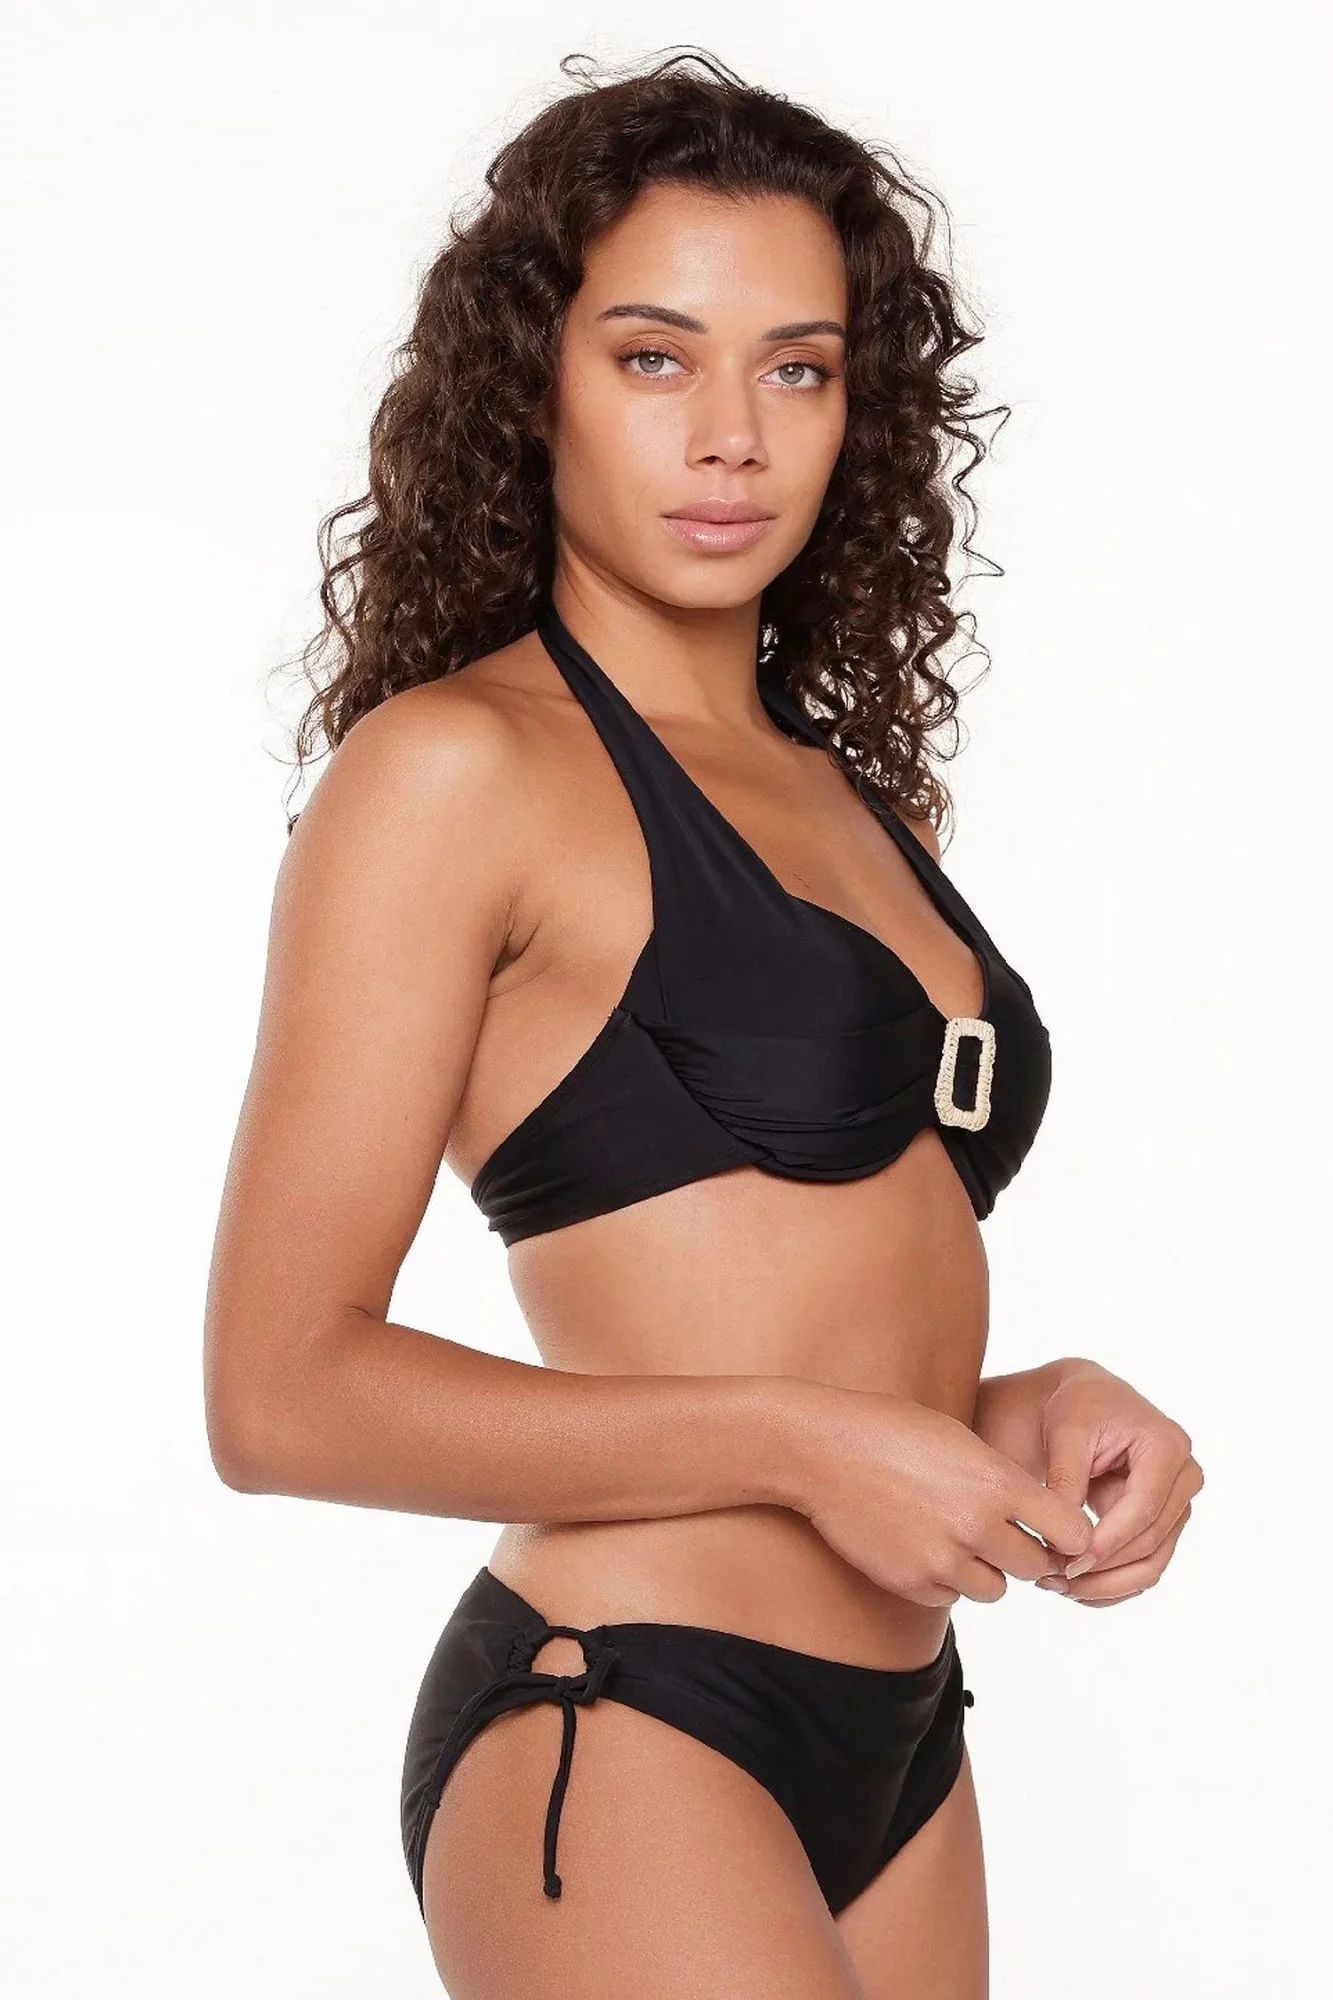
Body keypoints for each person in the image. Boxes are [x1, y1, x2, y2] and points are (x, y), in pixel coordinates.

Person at [204, 49, 1204, 2000]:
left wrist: (1009, 1412)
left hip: (904, 1737)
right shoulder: (453, 773)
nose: (732, 435)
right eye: (656, 357)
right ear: (537, 385)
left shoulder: (855, 800)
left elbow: (793, 1294)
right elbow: (278, 1391)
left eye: (797, 369)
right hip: (626, 1710)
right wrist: (805, 1444)